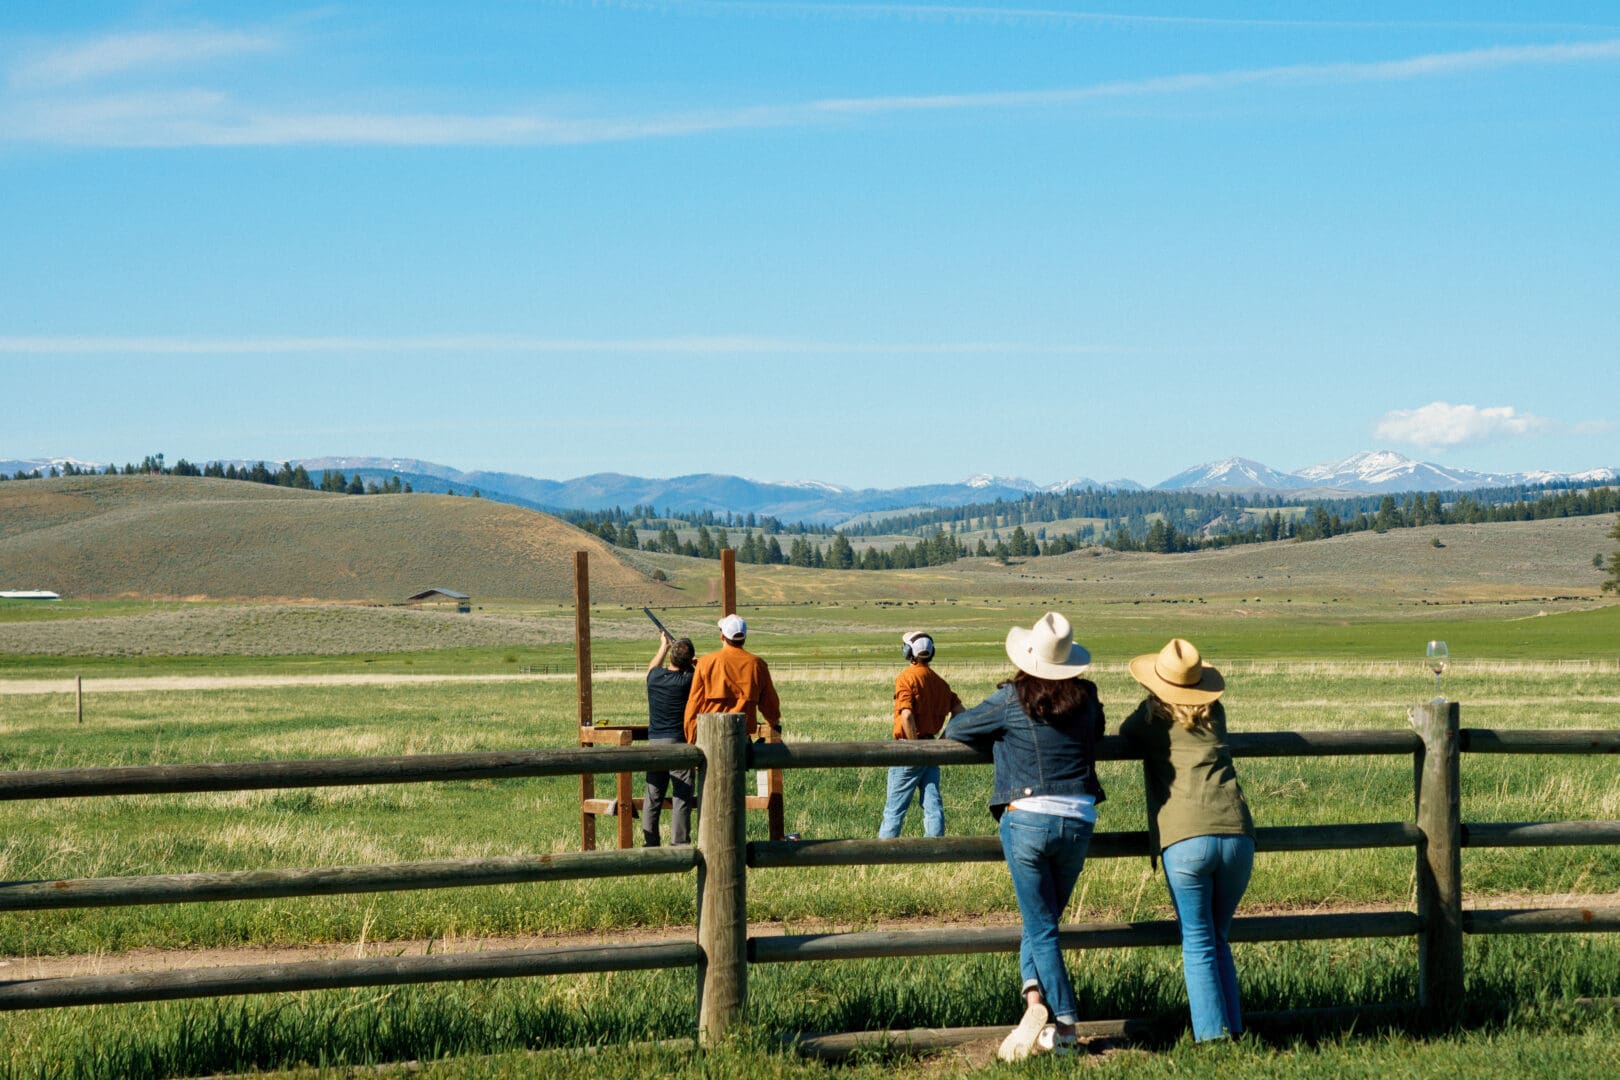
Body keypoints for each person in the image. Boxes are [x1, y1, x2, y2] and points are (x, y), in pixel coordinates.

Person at [944, 612, 1104, 1061]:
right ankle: (1034, 1002)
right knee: (1044, 920)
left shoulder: (1011, 698)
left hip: (1027, 818)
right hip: (1078, 817)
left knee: (1042, 925)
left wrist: (1000, 740)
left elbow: (958, 729)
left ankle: (1068, 1027)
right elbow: (1099, 732)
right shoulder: (1088, 700)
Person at [1120, 637, 1254, 1043]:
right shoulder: (1218, 714)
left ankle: (1212, 1038)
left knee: (1197, 941)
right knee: (1219, 938)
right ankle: (1235, 1031)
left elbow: (1123, 735)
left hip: (1185, 837)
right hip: (1236, 833)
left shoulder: (1148, 720)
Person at [878, 631, 964, 838]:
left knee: (894, 809)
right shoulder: (940, 683)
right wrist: (943, 741)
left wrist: (914, 747)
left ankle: (883, 852)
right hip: (932, 748)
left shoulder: (906, 678)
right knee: (932, 805)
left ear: (909, 652)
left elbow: (907, 715)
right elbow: (961, 712)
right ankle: (936, 849)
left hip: (909, 748)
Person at [683, 613, 781, 744]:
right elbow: (770, 705)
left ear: (722, 636)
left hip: (709, 738)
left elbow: (694, 703)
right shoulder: (757, 664)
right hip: (741, 740)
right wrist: (773, 722)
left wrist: (691, 738)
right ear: (744, 638)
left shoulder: (705, 662)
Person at [643, 629, 696, 846]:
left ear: (671, 658)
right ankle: (679, 844)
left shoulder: (655, 678)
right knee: (681, 796)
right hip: (678, 743)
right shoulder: (687, 681)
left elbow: (651, 668)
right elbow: (702, 673)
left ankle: (650, 843)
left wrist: (662, 647)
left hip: (654, 743)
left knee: (652, 796)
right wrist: (694, 661)